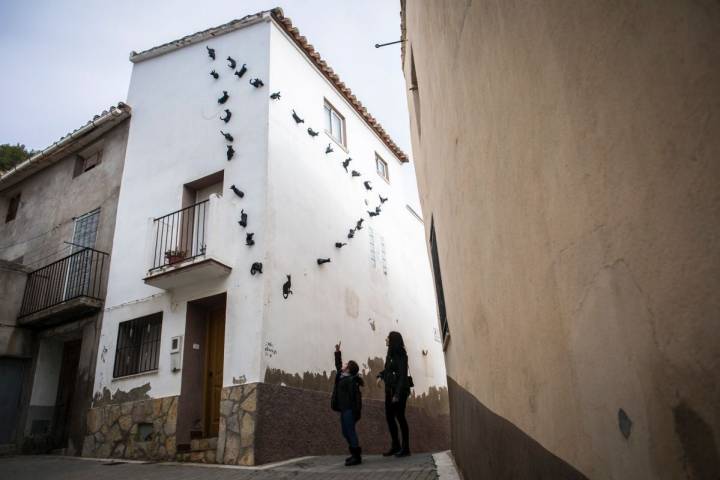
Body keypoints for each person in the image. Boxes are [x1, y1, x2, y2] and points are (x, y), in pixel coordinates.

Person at [376, 331, 411, 457]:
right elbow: (388, 370)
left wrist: (397, 394)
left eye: (388, 338)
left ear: (393, 340)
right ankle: (395, 446)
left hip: (399, 391)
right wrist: (380, 375)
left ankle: (406, 448)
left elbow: (402, 375)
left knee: (400, 418)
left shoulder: (401, 354)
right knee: (390, 418)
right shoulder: (389, 354)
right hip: (389, 390)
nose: (386, 339)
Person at [331, 341, 364, 466]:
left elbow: (357, 397)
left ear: (348, 369)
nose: (343, 365)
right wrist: (338, 352)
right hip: (343, 409)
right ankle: (354, 453)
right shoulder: (342, 375)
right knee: (345, 432)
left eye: (346, 364)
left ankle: (356, 457)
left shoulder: (351, 380)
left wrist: (356, 412)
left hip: (350, 410)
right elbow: (338, 364)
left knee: (350, 431)